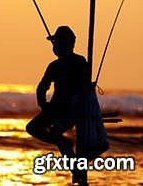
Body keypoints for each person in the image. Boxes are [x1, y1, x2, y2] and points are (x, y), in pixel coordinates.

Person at [25, 25, 107, 166]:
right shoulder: (78, 62)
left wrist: (45, 107)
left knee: (34, 128)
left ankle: (66, 150)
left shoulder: (58, 65)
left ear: (63, 44)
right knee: (55, 135)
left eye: (56, 42)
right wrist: (46, 108)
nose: (54, 45)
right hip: (69, 111)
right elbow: (42, 89)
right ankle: (74, 164)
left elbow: (41, 89)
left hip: (67, 112)